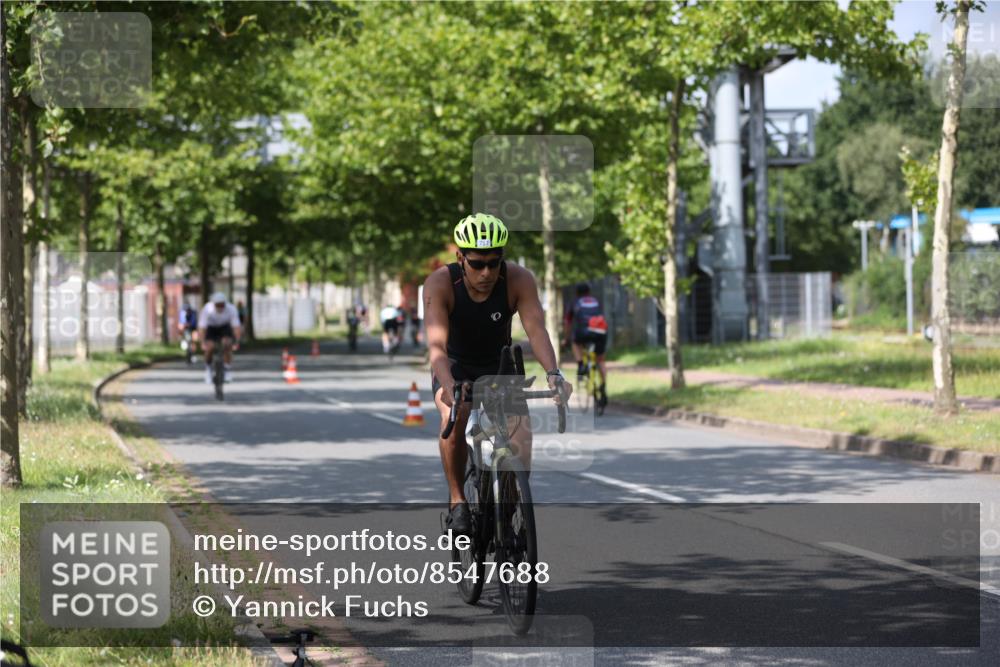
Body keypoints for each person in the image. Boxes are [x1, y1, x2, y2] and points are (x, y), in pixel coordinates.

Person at [423, 213, 570, 535]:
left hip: (499, 367)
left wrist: (554, 374)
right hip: (455, 365)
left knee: (521, 440)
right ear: (460, 257)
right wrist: (448, 386)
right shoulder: (440, 283)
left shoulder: (518, 279)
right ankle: (457, 501)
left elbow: (536, 330)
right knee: (455, 413)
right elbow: (436, 347)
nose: (487, 272)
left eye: (494, 262)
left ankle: (507, 507)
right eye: (477, 264)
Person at [564, 282, 609, 409]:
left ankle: (581, 365)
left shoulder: (574, 302)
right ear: (589, 292)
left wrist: (566, 339)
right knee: (600, 360)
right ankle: (603, 386)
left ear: (576, 293)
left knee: (575, 342)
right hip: (600, 331)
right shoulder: (596, 301)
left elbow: (567, 322)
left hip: (583, 331)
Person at [198, 292, 242, 384]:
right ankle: (208, 370)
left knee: (227, 344)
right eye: (218, 305)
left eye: (222, 305)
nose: (220, 307)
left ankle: (227, 370)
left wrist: (236, 342)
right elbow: (202, 328)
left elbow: (236, 327)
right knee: (210, 347)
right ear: (213, 304)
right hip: (211, 328)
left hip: (225, 327)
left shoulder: (231, 309)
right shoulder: (207, 309)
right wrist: (202, 342)